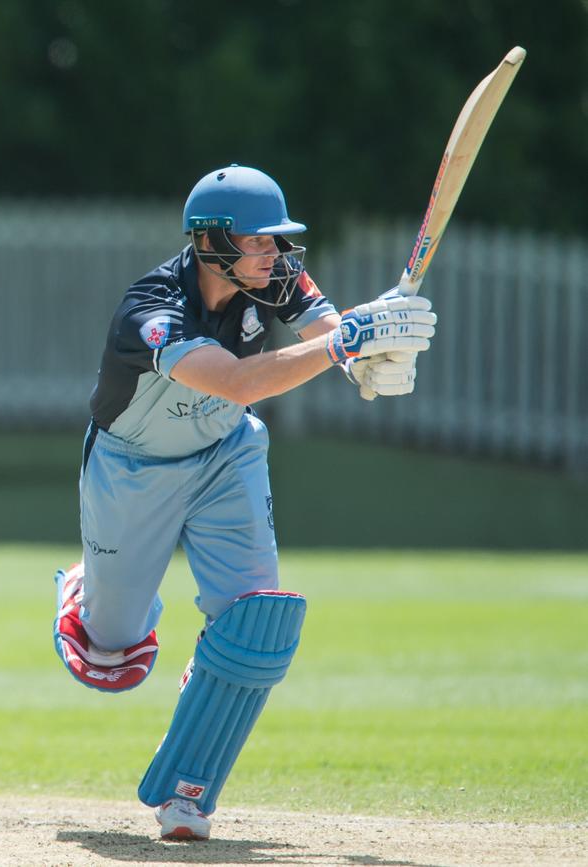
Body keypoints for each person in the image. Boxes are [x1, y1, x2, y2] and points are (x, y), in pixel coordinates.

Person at [53, 164, 436, 841]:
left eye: (276, 241)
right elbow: (234, 380)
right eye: (258, 241)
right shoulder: (152, 311)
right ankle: (89, 597)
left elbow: (327, 326)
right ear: (211, 242)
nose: (273, 254)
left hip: (226, 455)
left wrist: (367, 355)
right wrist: (346, 342)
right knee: (109, 655)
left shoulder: (275, 275)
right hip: (133, 470)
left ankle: (187, 794)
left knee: (254, 620)